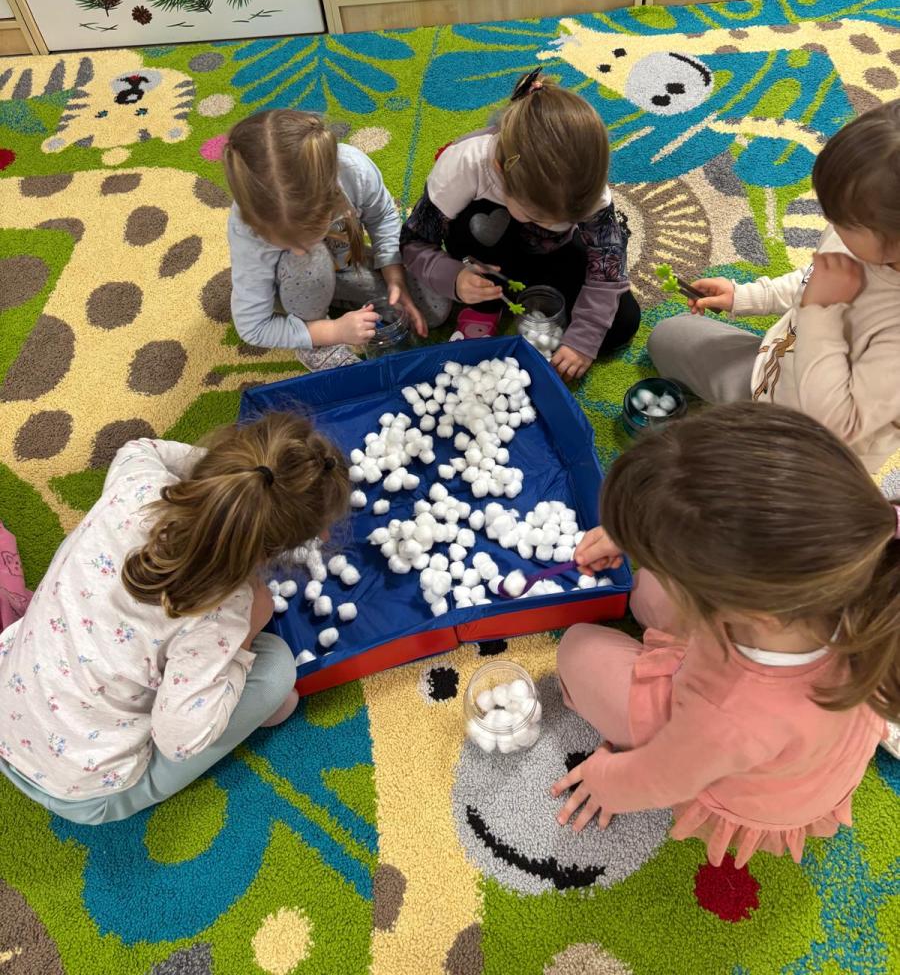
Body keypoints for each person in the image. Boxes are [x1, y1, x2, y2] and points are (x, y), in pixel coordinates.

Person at [553, 403, 895, 867]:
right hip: (792, 718)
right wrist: (641, 527)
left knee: (577, 648)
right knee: (646, 588)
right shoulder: (854, 542)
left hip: (743, 772)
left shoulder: (730, 714)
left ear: (738, 610)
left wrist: (607, 779)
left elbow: (662, 777)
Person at [0, 412, 348, 824]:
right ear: (275, 547)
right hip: (82, 793)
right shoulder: (221, 609)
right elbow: (179, 741)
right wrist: (248, 630)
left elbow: (139, 447)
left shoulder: (137, 486)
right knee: (275, 672)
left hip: (9, 706)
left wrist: (226, 485)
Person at [647, 99, 900, 472]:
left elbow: (837, 423)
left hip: (810, 449)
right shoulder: (858, 233)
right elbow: (813, 278)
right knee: (665, 337)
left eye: (845, 223)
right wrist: (746, 296)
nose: (830, 224)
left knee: (708, 485)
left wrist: (820, 311)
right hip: (767, 376)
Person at [400, 68, 640, 381]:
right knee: (484, 220)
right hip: (485, 254)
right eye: (539, 216)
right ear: (500, 170)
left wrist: (583, 339)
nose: (555, 223)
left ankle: (522, 289)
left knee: (621, 323)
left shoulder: (586, 185)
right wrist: (455, 278)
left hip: (548, 253)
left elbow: (607, 271)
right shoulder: (463, 165)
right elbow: (413, 242)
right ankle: (486, 305)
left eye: (569, 220)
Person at [226, 109, 450, 372]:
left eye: (307, 235)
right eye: (285, 243)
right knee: (310, 259)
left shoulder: (353, 169)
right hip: (294, 286)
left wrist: (394, 276)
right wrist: (331, 332)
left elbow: (383, 217)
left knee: (435, 308)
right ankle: (314, 337)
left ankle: (335, 301)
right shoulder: (246, 226)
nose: (297, 249)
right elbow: (252, 327)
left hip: (344, 266)